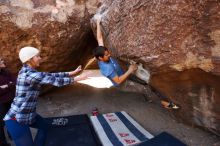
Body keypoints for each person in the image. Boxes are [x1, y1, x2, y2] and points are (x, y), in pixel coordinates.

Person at [3, 46, 88, 146]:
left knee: (45, 128)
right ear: (30, 60)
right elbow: (54, 81)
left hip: (29, 115)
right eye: (37, 56)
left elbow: (49, 75)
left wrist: (70, 73)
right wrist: (76, 79)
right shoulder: (29, 75)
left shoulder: (29, 71)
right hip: (16, 119)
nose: (40, 58)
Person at [93, 18, 137, 87]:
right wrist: (130, 70)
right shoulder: (107, 69)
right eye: (107, 55)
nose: (109, 55)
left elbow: (99, 38)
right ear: (100, 58)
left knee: (135, 78)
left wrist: (98, 23)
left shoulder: (101, 53)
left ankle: (131, 76)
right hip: (122, 84)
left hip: (122, 72)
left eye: (108, 53)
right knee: (144, 89)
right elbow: (118, 81)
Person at [0, 58, 16, 146]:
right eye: (0, 61)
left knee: (12, 119)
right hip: (1, 103)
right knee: (1, 124)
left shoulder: (6, 72)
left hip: (10, 100)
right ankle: (3, 143)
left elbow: (15, 81)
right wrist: (10, 85)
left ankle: (12, 135)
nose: (3, 61)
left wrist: (6, 86)